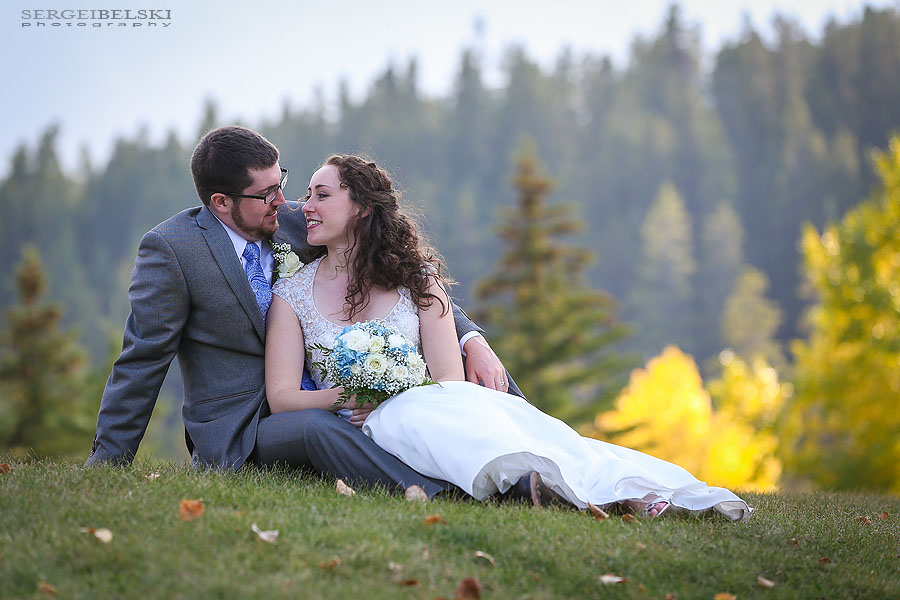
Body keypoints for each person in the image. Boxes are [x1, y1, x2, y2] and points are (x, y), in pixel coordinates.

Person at [266, 154, 753, 520]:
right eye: (307, 195)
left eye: (321, 195)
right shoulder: (292, 294)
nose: (305, 207)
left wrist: (393, 392)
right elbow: (282, 396)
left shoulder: (418, 280)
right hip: (357, 426)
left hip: (426, 410)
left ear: (362, 208)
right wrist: (349, 397)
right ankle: (543, 490)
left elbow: (449, 383)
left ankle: (611, 490)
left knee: (490, 425)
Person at [85, 126, 516, 500]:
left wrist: (470, 338)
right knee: (314, 427)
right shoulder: (173, 250)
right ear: (221, 202)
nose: (283, 200)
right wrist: (107, 463)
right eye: (266, 194)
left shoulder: (297, 221)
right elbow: (141, 362)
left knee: (477, 370)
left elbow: (400, 271)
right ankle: (445, 494)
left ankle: (530, 464)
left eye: (281, 182)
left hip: (336, 395)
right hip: (247, 427)